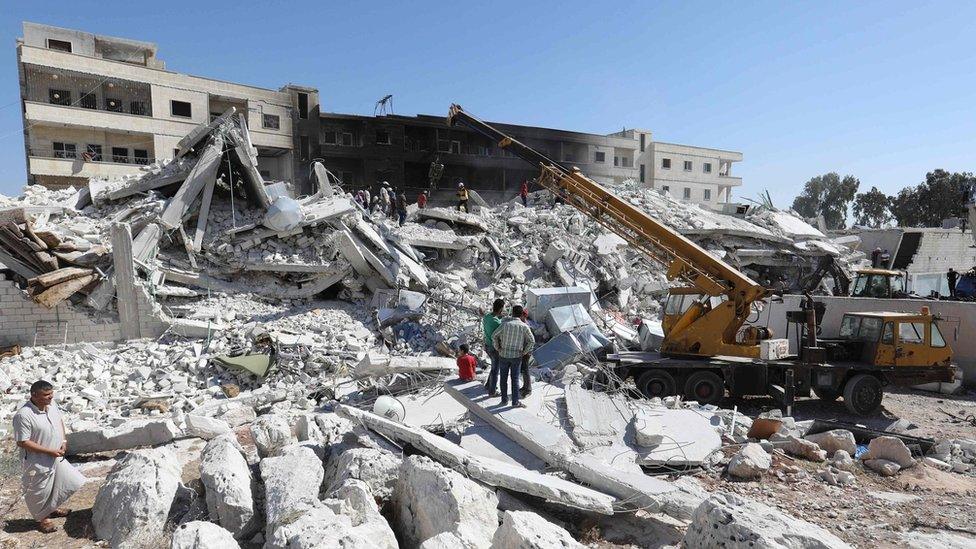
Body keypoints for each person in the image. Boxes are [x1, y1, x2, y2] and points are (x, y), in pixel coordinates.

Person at [13, 380, 86, 533]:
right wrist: (48, 451)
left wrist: (63, 440)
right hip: (37, 460)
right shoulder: (23, 415)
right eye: (46, 395)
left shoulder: (52, 406)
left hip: (56, 455)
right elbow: (23, 442)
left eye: (51, 394)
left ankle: (52, 508)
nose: (50, 398)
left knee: (66, 481)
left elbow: (59, 421)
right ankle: (42, 519)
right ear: (34, 395)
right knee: (38, 489)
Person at [492, 305, 535, 408]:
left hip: (504, 355)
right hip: (517, 356)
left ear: (512, 313)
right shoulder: (524, 326)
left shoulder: (505, 324)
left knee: (503, 378)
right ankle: (515, 402)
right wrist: (524, 352)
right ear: (521, 315)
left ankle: (504, 400)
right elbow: (532, 341)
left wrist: (498, 347)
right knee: (514, 379)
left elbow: (494, 336)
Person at [483, 299, 505, 397]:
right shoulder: (497, 322)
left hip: (487, 345)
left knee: (493, 367)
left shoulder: (487, 317)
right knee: (496, 370)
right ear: (501, 309)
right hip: (494, 348)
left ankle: (489, 384)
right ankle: (492, 392)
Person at [518, 306, 532, 398]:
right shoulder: (521, 324)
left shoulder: (525, 326)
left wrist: (525, 352)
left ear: (524, 316)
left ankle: (528, 389)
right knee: (523, 370)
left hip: (526, 352)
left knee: (525, 370)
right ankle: (525, 386)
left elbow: (531, 341)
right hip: (523, 351)